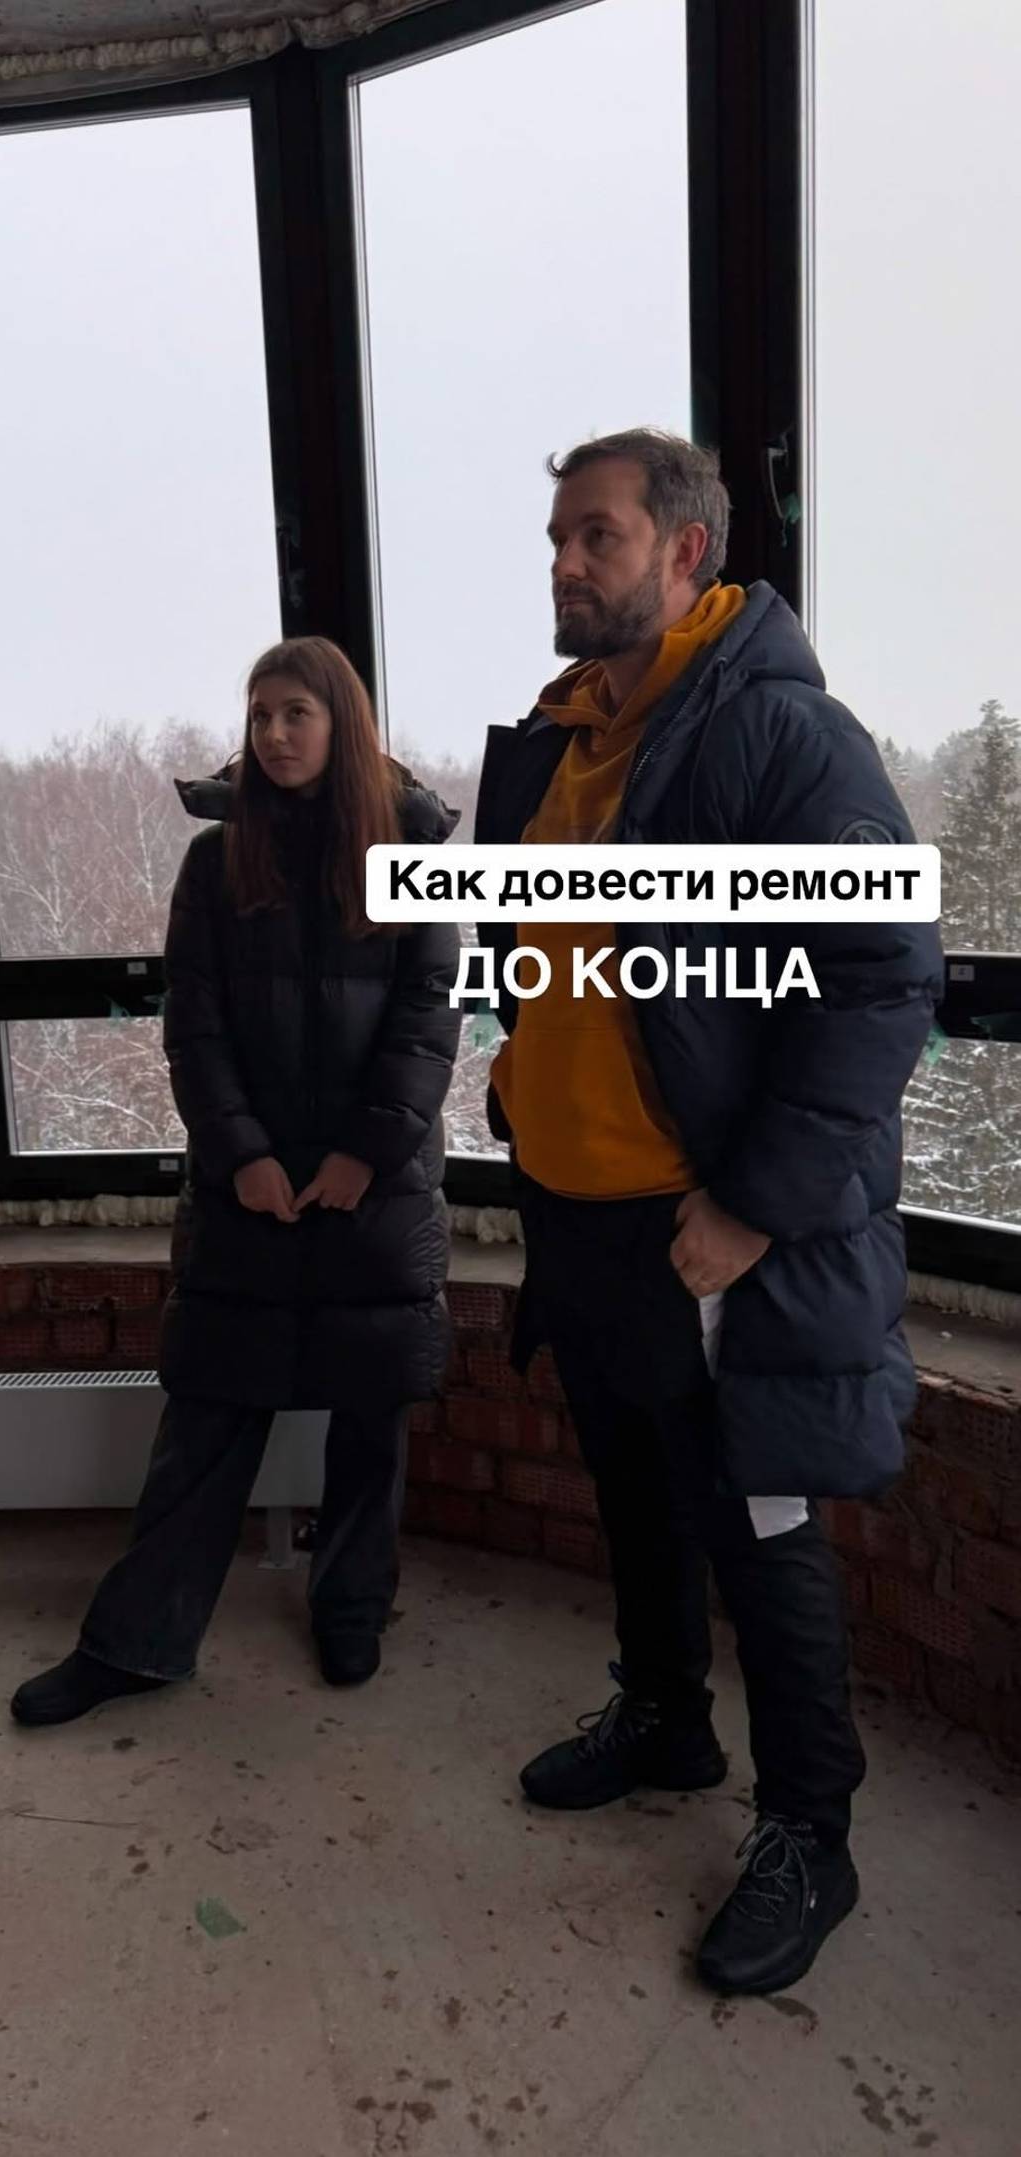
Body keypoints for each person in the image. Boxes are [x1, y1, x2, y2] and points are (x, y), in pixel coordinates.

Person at [474, 429, 943, 1996]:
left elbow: (880, 982)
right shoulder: (562, 736)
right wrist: (522, 1081)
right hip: (580, 1217)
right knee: (630, 1487)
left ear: (684, 552)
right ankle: (665, 1719)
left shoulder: (778, 734)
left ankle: (810, 1831)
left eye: (594, 536)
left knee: (759, 1526)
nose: (563, 563)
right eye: (555, 537)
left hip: (705, 1232)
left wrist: (750, 1203)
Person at [12, 637, 461, 1725]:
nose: (273, 734)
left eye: (297, 712)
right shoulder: (217, 861)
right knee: (207, 1419)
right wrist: (244, 1157)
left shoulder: (408, 854)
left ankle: (352, 1608)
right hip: (243, 1191)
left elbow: (428, 1020)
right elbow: (195, 1026)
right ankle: (136, 1641)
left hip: (376, 1193)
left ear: (342, 724)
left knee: (371, 1421)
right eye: (260, 714)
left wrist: (362, 1156)